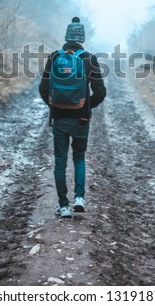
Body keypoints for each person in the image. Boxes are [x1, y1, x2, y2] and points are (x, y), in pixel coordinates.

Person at [39, 17, 106, 218]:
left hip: (59, 118)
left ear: (66, 36)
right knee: (79, 158)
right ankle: (79, 198)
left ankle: (63, 206)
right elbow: (101, 92)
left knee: (60, 161)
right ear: (82, 38)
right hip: (81, 119)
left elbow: (43, 88)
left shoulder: (54, 57)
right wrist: (86, 107)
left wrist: (54, 105)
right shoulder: (89, 59)